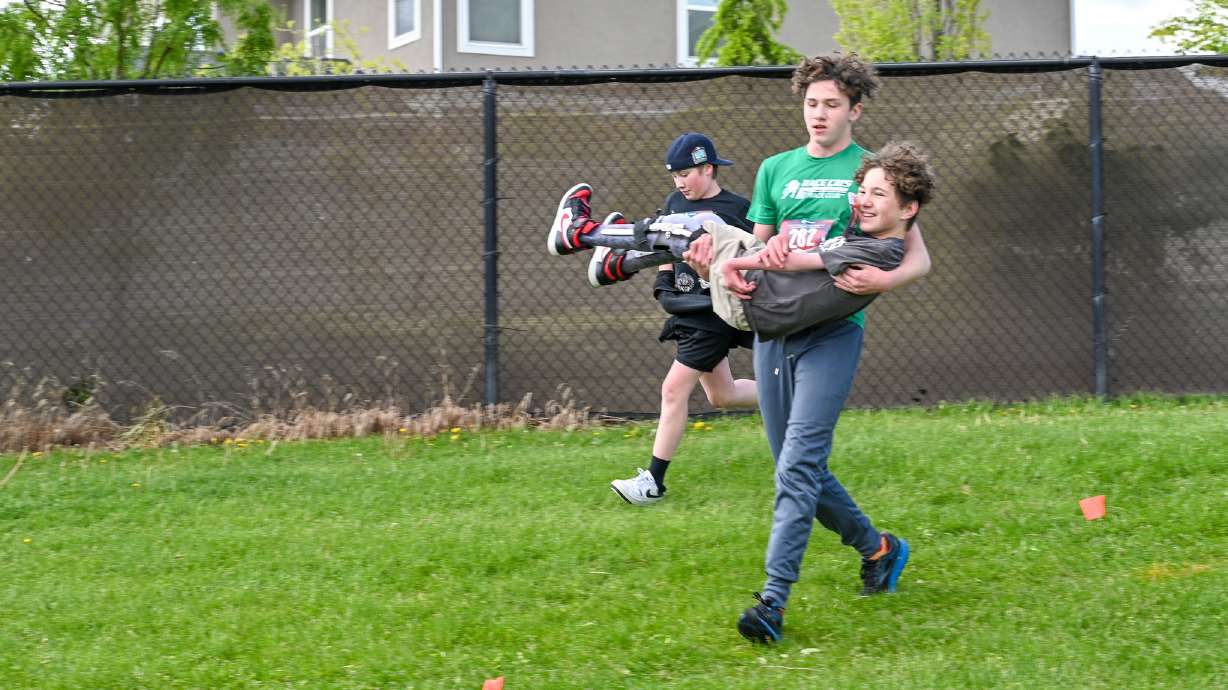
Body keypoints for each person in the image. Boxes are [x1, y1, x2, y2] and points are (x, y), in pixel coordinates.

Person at [682, 53, 933, 644]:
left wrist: (884, 281)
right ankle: (879, 548)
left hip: (833, 334)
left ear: (855, 109)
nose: (819, 114)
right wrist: (732, 271)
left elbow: (917, 255)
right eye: (811, 103)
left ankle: (773, 600)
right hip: (773, 332)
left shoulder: (872, 174)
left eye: (831, 104)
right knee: (798, 469)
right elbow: (760, 247)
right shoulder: (776, 169)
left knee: (798, 466)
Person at [546, 132, 759, 505]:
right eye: (674, 175)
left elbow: (754, 251)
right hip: (690, 306)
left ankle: (653, 483)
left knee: (673, 389)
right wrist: (664, 281)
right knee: (721, 394)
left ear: (708, 169)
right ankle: (790, 396)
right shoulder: (675, 201)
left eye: (686, 173)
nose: (679, 182)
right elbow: (666, 247)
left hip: (717, 310)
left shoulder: (739, 207)